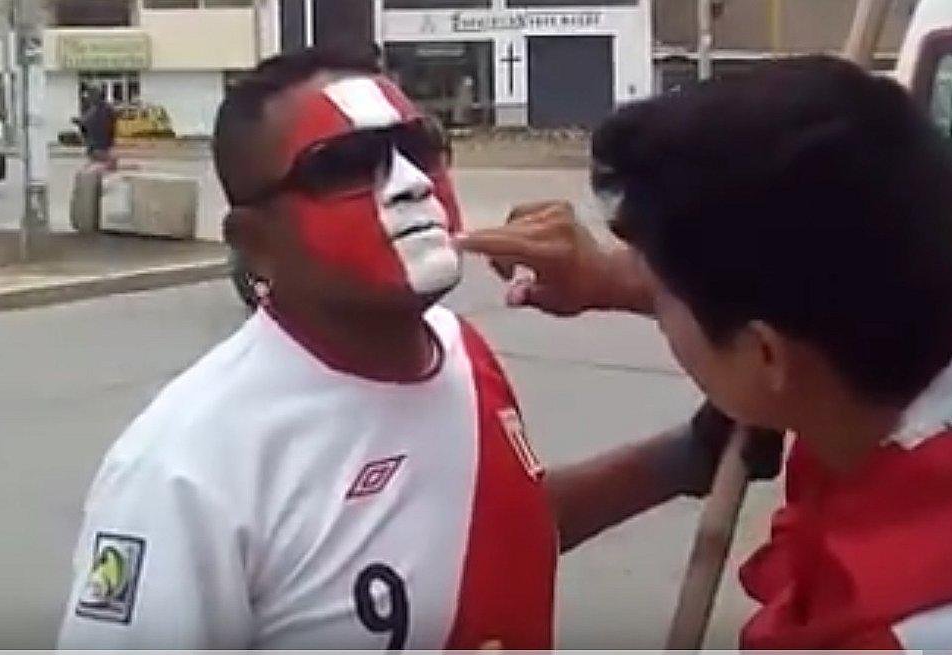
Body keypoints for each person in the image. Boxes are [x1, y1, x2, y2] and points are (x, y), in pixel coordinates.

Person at [460, 55, 952, 650]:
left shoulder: (904, 631)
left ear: (767, 357)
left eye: (663, 296)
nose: (651, 300)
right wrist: (608, 276)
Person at [56, 46, 776, 649]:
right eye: (342, 166)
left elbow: (493, 530)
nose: (408, 186)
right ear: (256, 244)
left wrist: (683, 457)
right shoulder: (185, 470)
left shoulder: (460, 349)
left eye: (418, 147)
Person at [74, 87, 116, 166]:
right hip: (98, 145)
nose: (88, 99)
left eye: (89, 96)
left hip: (99, 145)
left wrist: (80, 122)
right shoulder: (97, 108)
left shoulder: (100, 109)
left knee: (98, 167)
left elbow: (90, 122)